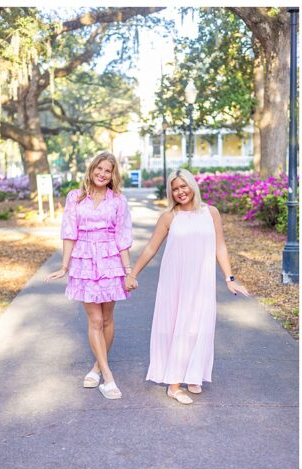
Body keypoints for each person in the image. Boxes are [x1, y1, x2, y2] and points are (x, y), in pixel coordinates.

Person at [126, 169, 249, 405]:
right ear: (171, 192)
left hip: (202, 280)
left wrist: (229, 278)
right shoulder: (169, 217)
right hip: (176, 280)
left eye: (183, 186)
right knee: (179, 325)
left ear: (193, 185)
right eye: (175, 188)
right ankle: (174, 385)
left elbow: (219, 246)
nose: (180, 192)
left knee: (200, 325)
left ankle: (194, 373)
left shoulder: (210, 213)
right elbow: (152, 247)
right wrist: (133, 273)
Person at [45, 152, 133, 400]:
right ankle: (108, 376)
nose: (103, 174)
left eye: (108, 171)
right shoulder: (76, 197)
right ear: (92, 169)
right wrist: (64, 266)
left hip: (111, 261)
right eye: (99, 169)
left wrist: (128, 272)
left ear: (113, 175)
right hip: (84, 260)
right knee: (94, 320)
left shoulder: (117, 200)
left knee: (107, 319)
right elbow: (69, 233)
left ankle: (96, 367)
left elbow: (122, 238)